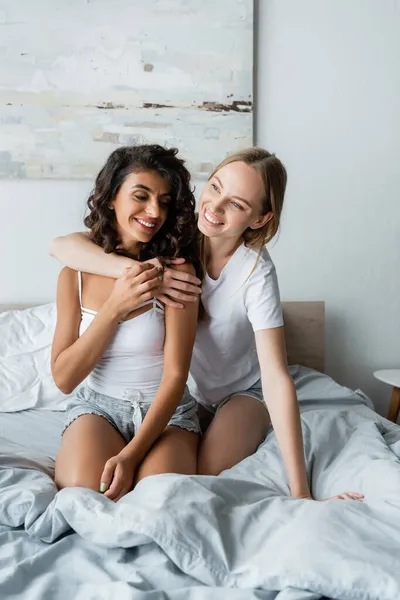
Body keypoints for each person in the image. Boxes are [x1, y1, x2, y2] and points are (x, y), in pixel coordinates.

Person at [50, 147, 363, 502]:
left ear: (259, 218)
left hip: (236, 390)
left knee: (205, 480)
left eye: (238, 204)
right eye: (214, 187)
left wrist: (301, 492)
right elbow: (62, 246)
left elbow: (275, 376)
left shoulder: (253, 273)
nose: (214, 207)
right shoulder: (176, 241)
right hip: (180, 392)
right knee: (92, 486)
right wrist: (135, 278)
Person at [51, 144, 203, 502]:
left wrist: (132, 454)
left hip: (166, 413)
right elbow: (64, 378)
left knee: (159, 499)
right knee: (82, 493)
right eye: (141, 195)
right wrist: (115, 307)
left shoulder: (178, 273)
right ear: (111, 198)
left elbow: (175, 375)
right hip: (99, 407)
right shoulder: (73, 275)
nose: (154, 211)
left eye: (164, 201)